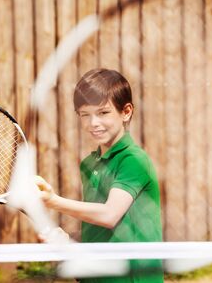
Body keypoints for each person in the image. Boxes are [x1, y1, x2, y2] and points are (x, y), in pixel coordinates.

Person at [37, 68, 163, 282]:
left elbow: (109, 215)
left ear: (126, 112)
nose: (93, 123)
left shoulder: (133, 160)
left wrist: (53, 201)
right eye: (85, 115)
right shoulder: (89, 164)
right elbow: (100, 230)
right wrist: (67, 242)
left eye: (103, 113)